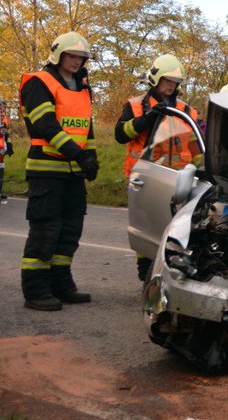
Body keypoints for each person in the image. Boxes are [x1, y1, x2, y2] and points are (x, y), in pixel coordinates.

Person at [19, 32, 98, 311]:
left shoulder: (80, 86)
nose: (77, 61)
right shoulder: (39, 83)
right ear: (58, 55)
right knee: (46, 229)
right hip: (46, 170)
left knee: (69, 230)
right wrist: (79, 155)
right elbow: (46, 125)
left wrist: (92, 157)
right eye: (72, 56)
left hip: (72, 172)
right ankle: (36, 290)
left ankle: (61, 284)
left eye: (82, 57)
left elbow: (84, 127)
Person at [115, 53, 202, 281]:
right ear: (155, 79)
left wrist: (203, 168)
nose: (170, 87)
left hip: (181, 180)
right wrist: (146, 119)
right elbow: (120, 134)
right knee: (148, 227)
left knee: (180, 230)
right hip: (147, 177)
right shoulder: (135, 106)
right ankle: (146, 274)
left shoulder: (187, 110)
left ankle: (173, 273)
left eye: (174, 83)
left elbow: (196, 146)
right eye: (167, 81)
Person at [0, 101, 12, 203]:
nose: (3, 109)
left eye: (4, 107)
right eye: (1, 106)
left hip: (1, 148)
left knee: (1, 169)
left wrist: (9, 145)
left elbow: (6, 134)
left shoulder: (4, 118)